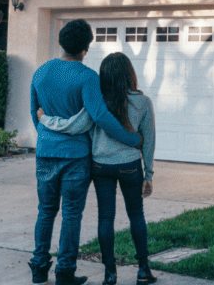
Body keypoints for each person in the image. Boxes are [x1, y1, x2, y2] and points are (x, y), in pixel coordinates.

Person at [29, 20, 142, 285]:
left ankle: (38, 267)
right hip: (76, 156)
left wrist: (46, 137)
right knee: (70, 214)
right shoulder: (88, 77)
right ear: (86, 48)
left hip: (45, 151)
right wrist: (131, 139)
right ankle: (65, 272)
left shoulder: (41, 72)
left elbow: (34, 112)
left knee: (45, 211)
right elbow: (101, 116)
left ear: (61, 42)